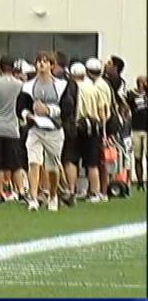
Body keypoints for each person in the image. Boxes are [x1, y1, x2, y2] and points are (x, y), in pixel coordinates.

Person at [18, 51, 74, 212]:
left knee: (52, 167)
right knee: (33, 162)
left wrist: (48, 110)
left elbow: (67, 109)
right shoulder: (28, 86)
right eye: (38, 62)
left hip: (54, 130)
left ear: (51, 65)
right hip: (35, 129)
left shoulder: (61, 85)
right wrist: (27, 115)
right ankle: (33, 199)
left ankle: (53, 195)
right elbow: (21, 106)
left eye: (45, 61)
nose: (41, 64)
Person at [0, 56, 25, 203]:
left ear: (0, 67)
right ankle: (20, 190)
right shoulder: (20, 84)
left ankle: (0, 191)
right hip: (12, 128)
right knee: (15, 163)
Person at [62, 62, 104, 204]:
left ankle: (72, 189)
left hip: (77, 125)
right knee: (92, 163)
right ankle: (95, 192)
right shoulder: (93, 87)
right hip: (93, 126)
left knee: (71, 159)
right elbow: (101, 110)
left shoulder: (71, 87)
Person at [86, 58, 114, 201]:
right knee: (102, 161)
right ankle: (103, 190)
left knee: (99, 161)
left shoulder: (98, 85)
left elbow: (102, 109)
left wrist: (103, 132)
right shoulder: (104, 83)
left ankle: (101, 191)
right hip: (104, 124)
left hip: (101, 125)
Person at [127, 76, 147, 190]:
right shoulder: (132, 95)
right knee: (137, 157)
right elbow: (126, 104)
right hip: (136, 128)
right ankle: (140, 182)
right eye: (140, 82)